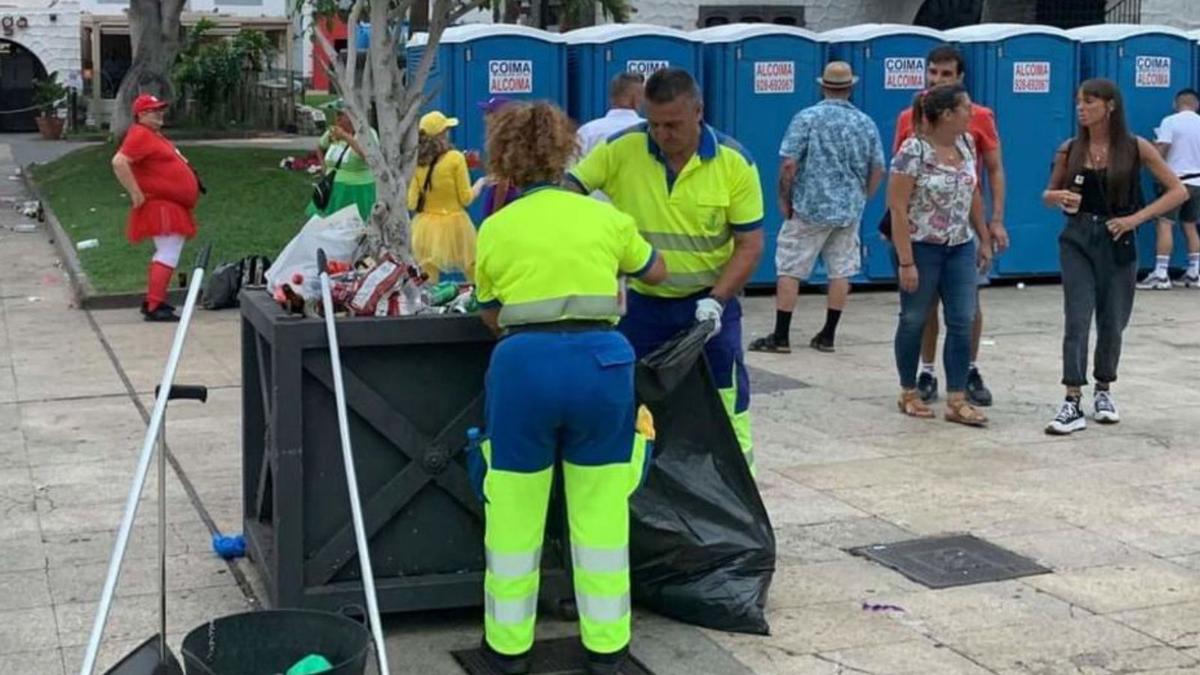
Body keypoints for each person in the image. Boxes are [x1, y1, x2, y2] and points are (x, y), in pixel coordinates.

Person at [473, 101, 667, 675]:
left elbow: (490, 310)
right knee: (602, 513)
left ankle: (507, 651)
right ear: (566, 153)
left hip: (523, 371)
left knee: (513, 512)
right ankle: (608, 650)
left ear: (505, 159)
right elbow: (655, 270)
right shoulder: (605, 218)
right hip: (602, 370)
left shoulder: (497, 226)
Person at [567, 67, 764, 474]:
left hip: (709, 308)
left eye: (673, 125)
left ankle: (739, 482)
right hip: (641, 306)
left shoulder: (734, 164)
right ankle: (634, 486)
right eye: (653, 124)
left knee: (727, 397)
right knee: (628, 396)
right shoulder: (622, 149)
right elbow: (569, 192)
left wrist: (717, 300)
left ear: (698, 112)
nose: (662, 135)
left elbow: (750, 244)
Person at [1041, 79, 1186, 435]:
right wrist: (1061, 197)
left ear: (1110, 106)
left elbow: (1178, 191)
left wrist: (1136, 218)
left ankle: (1104, 389)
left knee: (1113, 320)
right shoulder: (1070, 148)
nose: (1081, 108)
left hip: (1118, 236)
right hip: (1077, 237)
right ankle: (1071, 396)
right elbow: (1048, 193)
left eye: (1089, 102)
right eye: (1078, 102)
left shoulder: (1135, 147)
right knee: (1077, 316)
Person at [893, 45, 1008, 407]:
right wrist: (906, 259)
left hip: (959, 241)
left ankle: (960, 388)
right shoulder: (911, 141)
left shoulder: (970, 137)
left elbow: (983, 180)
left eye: (945, 74)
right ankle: (916, 381)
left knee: (964, 313)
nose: (936, 79)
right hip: (921, 242)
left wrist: (990, 229)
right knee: (916, 315)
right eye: (933, 72)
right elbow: (897, 202)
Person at [749, 61, 884, 354]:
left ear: (823, 86)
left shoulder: (806, 118)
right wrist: (862, 197)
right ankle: (827, 335)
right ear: (850, 88)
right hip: (848, 210)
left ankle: (781, 336)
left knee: (790, 267)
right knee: (841, 270)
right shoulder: (866, 123)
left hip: (809, 206)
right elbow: (878, 169)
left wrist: (784, 199)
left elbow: (788, 164)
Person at [111, 94, 201, 322]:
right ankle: (154, 304)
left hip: (170, 202)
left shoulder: (152, 135)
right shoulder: (140, 134)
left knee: (168, 251)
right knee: (168, 252)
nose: (159, 113)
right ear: (140, 115)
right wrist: (135, 192)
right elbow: (119, 161)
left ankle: (154, 300)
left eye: (160, 109)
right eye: (153, 110)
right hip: (162, 204)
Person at [408, 110, 485, 282]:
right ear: (441, 135)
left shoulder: (416, 162)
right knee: (471, 266)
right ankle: (477, 301)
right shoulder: (455, 158)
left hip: (425, 226)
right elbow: (466, 198)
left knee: (428, 272)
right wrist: (481, 183)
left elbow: (412, 203)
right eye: (446, 130)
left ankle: (428, 306)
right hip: (455, 223)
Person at [1140, 88, 1200, 289]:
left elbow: (1161, 150)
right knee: (1190, 226)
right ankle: (1194, 273)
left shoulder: (1170, 121)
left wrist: (1151, 154)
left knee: (1165, 224)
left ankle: (1161, 274)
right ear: (1196, 104)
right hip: (1198, 182)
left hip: (1177, 182)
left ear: (1176, 103)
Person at [307, 100, 377, 222]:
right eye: (336, 114)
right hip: (332, 188)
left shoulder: (367, 133)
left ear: (352, 116)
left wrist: (345, 136)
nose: (337, 118)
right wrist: (324, 166)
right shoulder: (333, 132)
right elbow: (319, 146)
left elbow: (368, 156)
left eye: (340, 114)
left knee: (352, 227)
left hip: (357, 189)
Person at [577, 72, 645, 159]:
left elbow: (572, 168)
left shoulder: (587, 131)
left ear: (612, 97)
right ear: (636, 100)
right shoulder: (648, 131)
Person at [477, 96, 521, 218]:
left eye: (489, 113)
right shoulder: (511, 140)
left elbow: (503, 183)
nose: (485, 117)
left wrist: (495, 214)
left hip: (503, 199)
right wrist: (480, 163)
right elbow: (497, 174)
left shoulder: (504, 142)